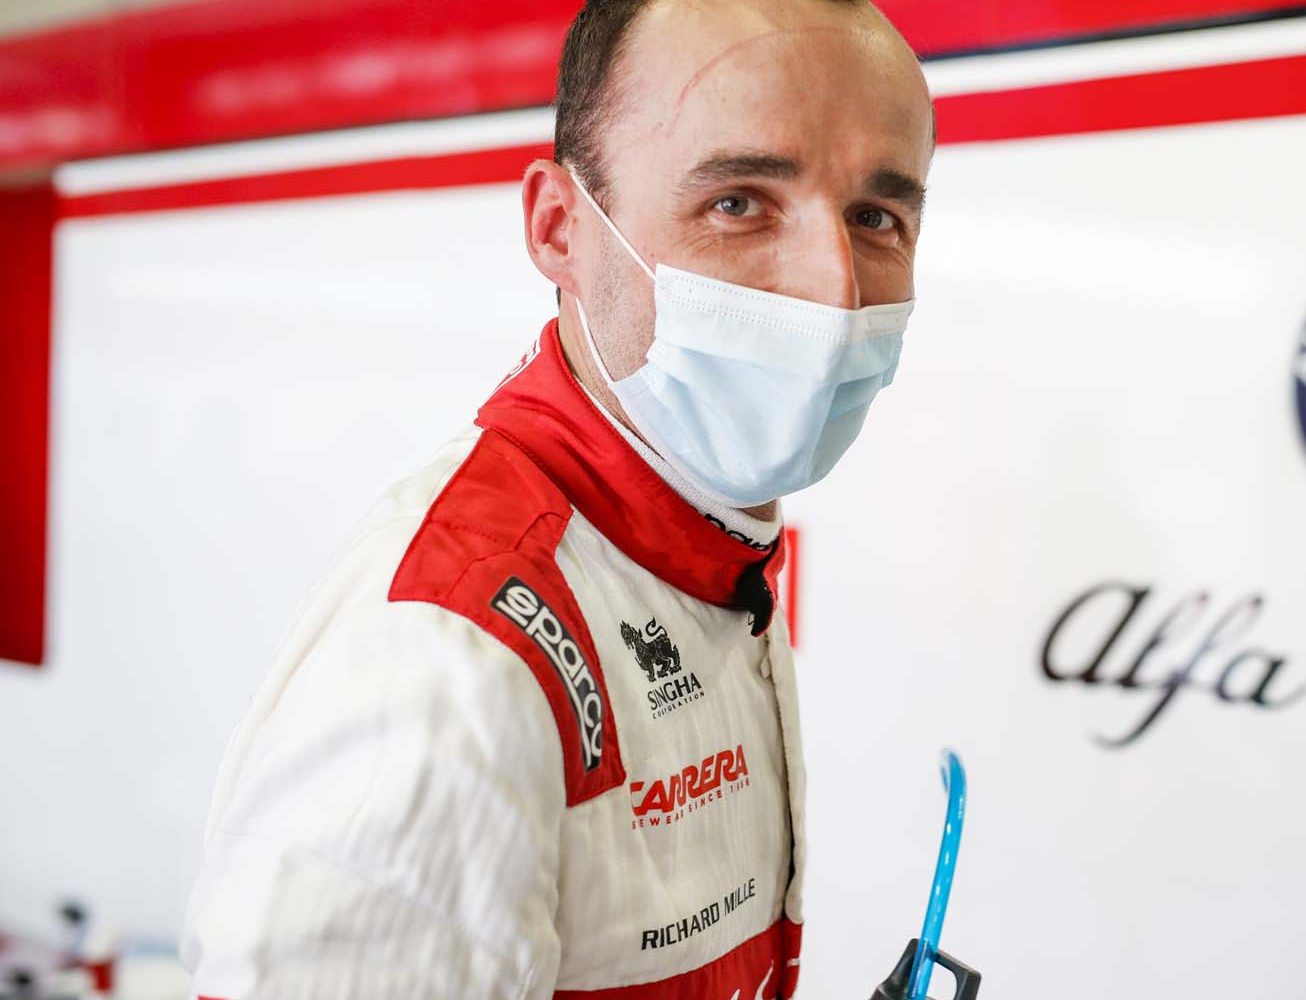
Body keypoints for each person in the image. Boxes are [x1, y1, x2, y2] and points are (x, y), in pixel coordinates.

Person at [180, 0, 934, 996]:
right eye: (739, 202)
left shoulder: (705, 541)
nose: (832, 293)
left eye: (876, 217)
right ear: (559, 227)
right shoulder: (449, 675)